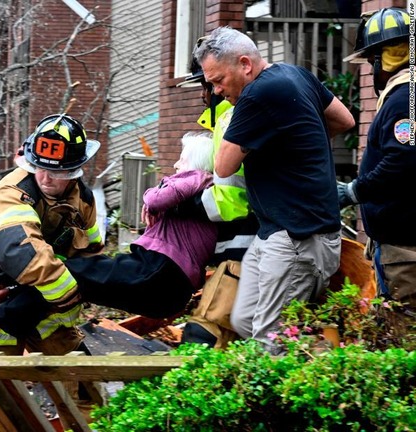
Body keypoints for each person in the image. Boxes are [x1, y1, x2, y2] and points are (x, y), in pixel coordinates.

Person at [195, 27, 356, 354]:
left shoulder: (256, 95)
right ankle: (318, 358)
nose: (216, 91)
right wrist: (293, 141)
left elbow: (224, 166)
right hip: (275, 232)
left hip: (298, 238)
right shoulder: (296, 75)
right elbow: (343, 120)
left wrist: (237, 123)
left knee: (271, 342)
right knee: (245, 321)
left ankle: (320, 375)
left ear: (245, 64)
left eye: (218, 80)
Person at [0, 113, 103, 431]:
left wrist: (82, 276)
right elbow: (23, 254)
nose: (46, 178)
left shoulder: (81, 198)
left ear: (74, 170)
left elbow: (90, 246)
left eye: (57, 172)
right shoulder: (9, 197)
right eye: (40, 168)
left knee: (83, 384)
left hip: (40, 301)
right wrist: (70, 293)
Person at [63, 132, 217, 318]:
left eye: (182, 160)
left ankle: (47, 271)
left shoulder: (198, 177)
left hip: (162, 271)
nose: (176, 165)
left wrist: (155, 193)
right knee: (91, 284)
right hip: (172, 286)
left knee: (83, 271)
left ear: (196, 164)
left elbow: (155, 199)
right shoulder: (202, 190)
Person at [175, 36, 260, 347]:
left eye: (208, 85)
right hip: (238, 247)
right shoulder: (224, 117)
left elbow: (233, 196)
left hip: (245, 246)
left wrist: (185, 205)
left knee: (207, 332)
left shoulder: (232, 116)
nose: (205, 93)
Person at [338, 8, 416, 320]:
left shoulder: (404, 99)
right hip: (400, 244)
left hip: (405, 250)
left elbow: (403, 158)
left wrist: (355, 190)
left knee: (404, 333)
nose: (371, 71)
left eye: (372, 61)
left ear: (388, 58)